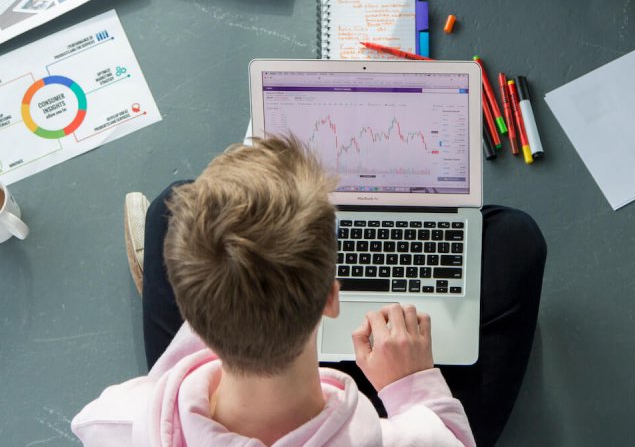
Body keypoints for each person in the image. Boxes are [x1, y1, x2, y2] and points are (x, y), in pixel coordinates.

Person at [72, 136, 547, 447]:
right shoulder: (404, 439)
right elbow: (450, 439)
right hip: (373, 401)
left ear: (189, 312)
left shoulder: (112, 422)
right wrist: (410, 384)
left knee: (168, 210)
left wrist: (232, 290)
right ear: (331, 298)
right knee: (515, 239)